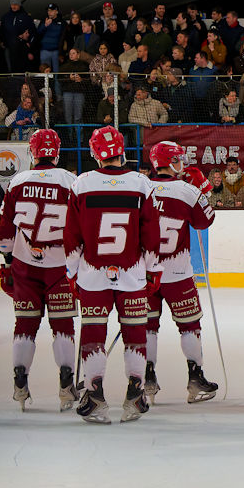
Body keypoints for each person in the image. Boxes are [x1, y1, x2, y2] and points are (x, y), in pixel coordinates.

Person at [63, 126, 162, 423]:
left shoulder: (82, 183)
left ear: (95, 153)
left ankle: (95, 396)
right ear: (122, 151)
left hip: (92, 275)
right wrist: (153, 270)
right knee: (135, 335)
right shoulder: (141, 184)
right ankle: (135, 395)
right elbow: (151, 234)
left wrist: (71, 273)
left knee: (93, 334)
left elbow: (72, 236)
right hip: (132, 275)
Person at [0, 130, 79, 411]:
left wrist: (8, 261)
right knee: (63, 325)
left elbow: (5, 230)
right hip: (61, 266)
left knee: (25, 325)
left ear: (32, 152)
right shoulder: (70, 181)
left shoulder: (17, 181)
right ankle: (66, 385)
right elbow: (80, 226)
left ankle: (20, 382)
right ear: (57, 153)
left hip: (25, 265)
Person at [143, 142, 218, 404]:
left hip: (145, 273)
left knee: (147, 327)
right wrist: (201, 190)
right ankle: (195, 379)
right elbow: (206, 220)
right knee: (190, 326)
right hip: (178, 274)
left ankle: (146, 378)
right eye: (178, 159)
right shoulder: (187, 190)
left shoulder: (142, 187)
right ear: (171, 162)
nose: (182, 163)